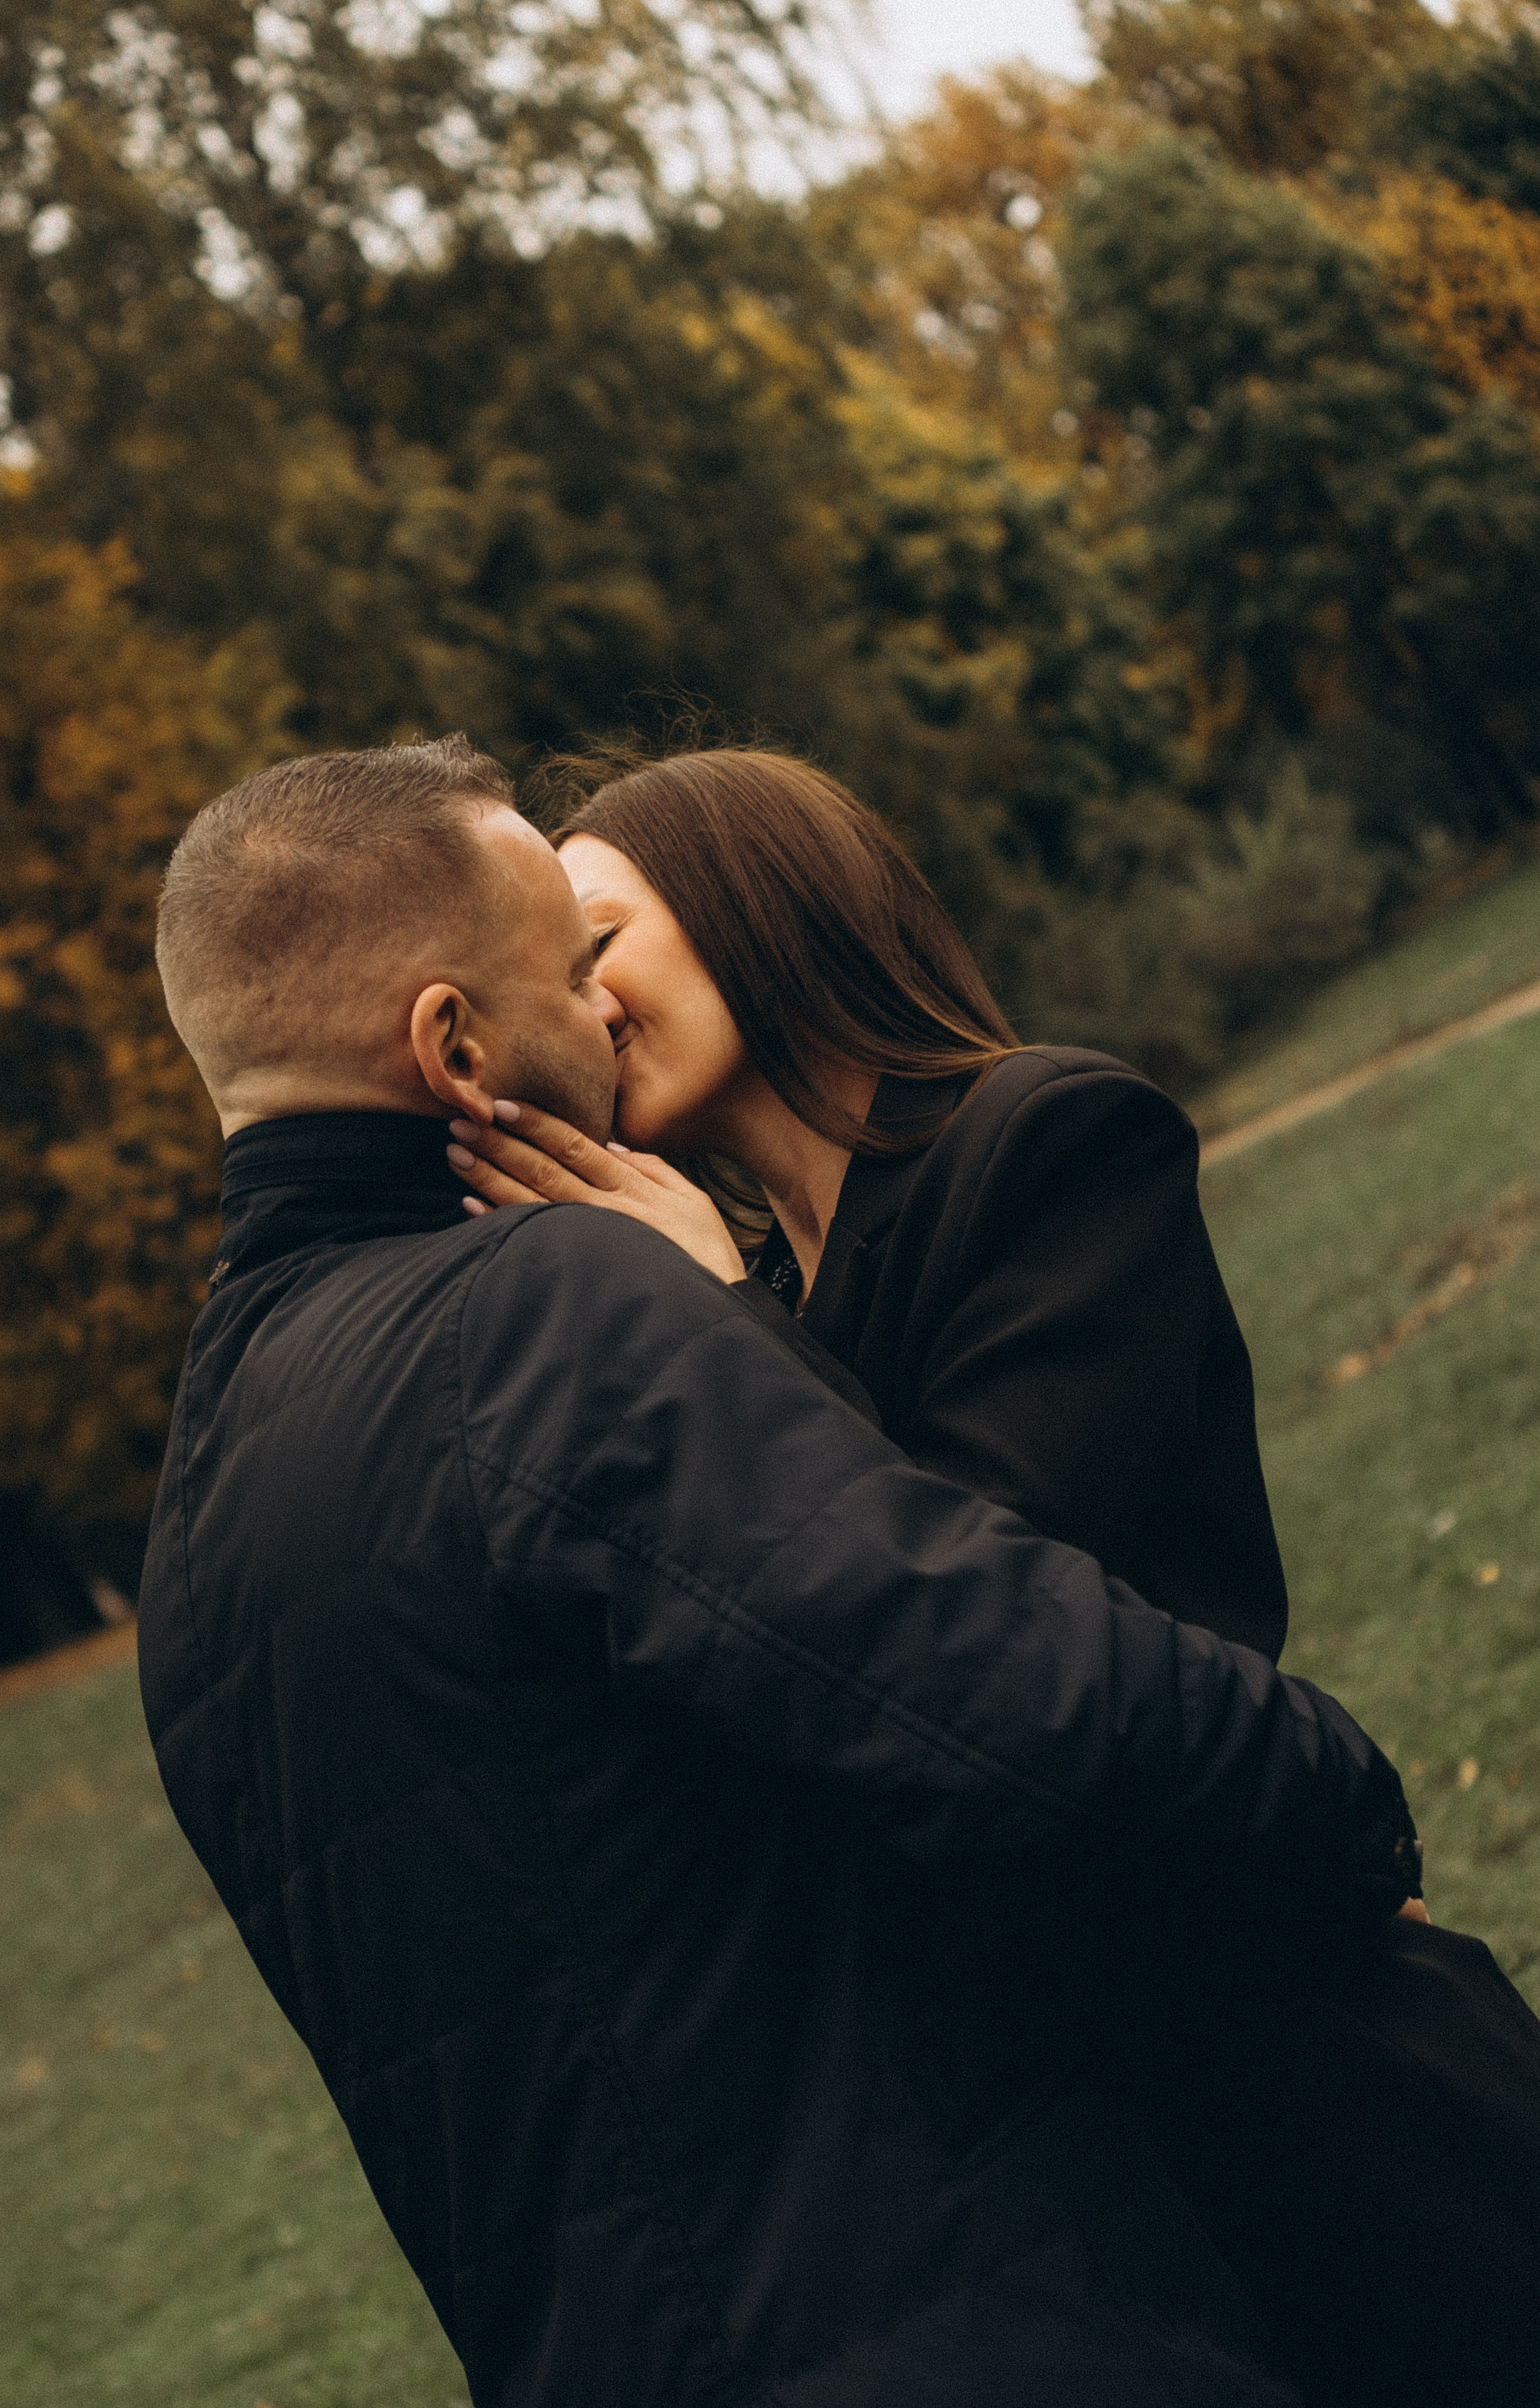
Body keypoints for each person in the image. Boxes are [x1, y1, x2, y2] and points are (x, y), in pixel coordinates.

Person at [138, 736, 1422, 2408]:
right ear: (453, 1049)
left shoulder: (200, 1510)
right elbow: (1006, 1682)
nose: (592, 1012)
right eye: (565, 969)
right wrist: (1331, 1792)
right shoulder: (540, 1314)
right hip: (949, 2320)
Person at [444, 742, 1540, 2408]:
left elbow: (984, 1600)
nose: (577, 1005)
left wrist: (710, 1316)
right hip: (1076, 2154)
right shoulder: (772, 1301)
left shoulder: (1044, 1142)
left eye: (597, 945)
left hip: (1299, 2058)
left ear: (754, 896)